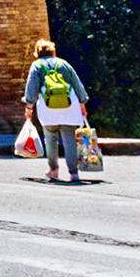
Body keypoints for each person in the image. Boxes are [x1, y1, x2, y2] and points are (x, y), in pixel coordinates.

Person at [22, 39, 91, 183]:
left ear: (38, 53)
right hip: (69, 106)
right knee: (69, 138)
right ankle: (73, 174)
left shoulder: (37, 65)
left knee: (50, 138)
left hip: (48, 108)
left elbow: (32, 88)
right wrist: (82, 104)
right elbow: (77, 84)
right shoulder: (63, 64)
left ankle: (53, 170)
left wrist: (29, 107)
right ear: (53, 52)